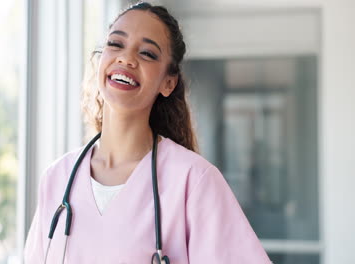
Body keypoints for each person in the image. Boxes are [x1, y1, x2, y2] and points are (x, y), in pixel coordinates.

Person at [24, 2, 271, 263]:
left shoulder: (193, 181)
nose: (126, 58)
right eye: (116, 44)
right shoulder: (57, 178)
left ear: (168, 82)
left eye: (147, 53)